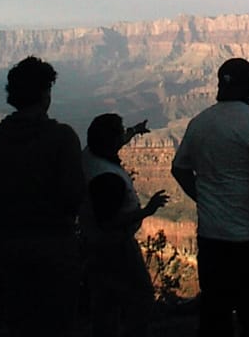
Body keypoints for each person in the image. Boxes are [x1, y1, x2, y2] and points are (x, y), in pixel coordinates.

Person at [0, 56, 85, 337]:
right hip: (56, 244)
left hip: (10, 244)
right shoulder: (62, 137)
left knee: (21, 322)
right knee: (58, 323)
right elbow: (75, 195)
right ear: (45, 94)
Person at [171, 58, 249, 337]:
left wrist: (203, 197)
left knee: (215, 314)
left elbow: (179, 168)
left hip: (212, 239)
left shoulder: (199, 122)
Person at [79, 113, 169, 337]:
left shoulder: (89, 154)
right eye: (121, 132)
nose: (123, 136)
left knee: (104, 302)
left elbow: (114, 140)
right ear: (111, 141)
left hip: (93, 243)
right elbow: (109, 222)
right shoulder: (107, 177)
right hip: (115, 246)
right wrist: (147, 211)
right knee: (141, 297)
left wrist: (134, 131)